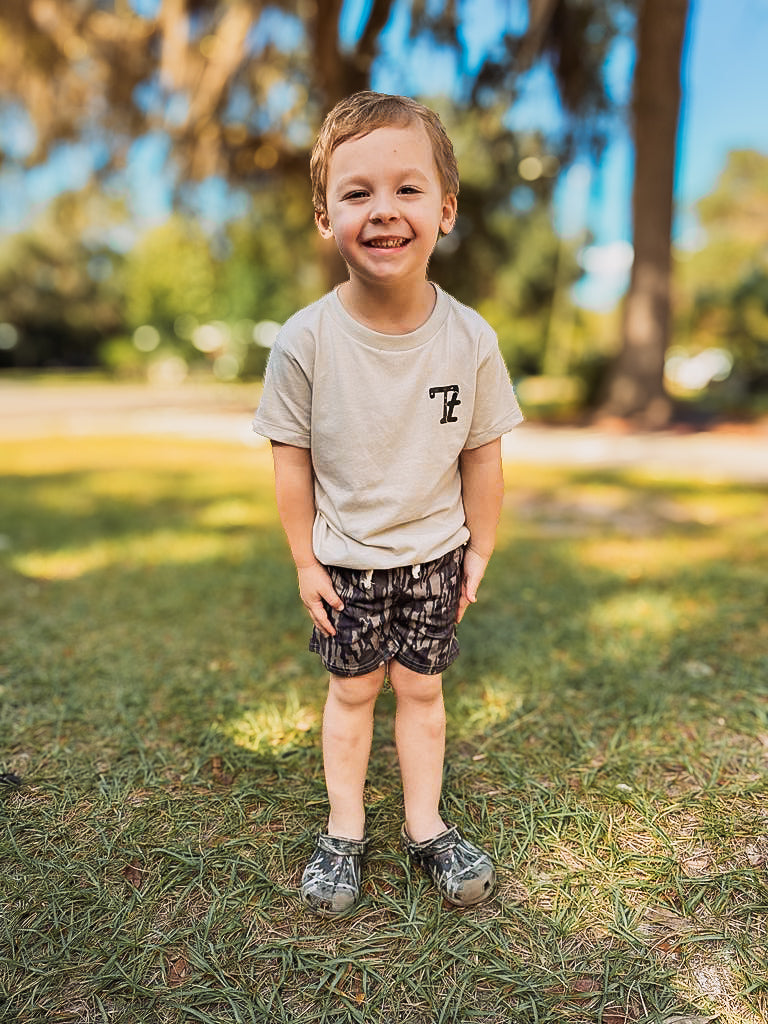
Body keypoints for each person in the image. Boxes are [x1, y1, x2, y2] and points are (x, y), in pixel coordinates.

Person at [252, 91, 523, 917]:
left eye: (407, 190)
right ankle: (343, 832)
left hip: (435, 557)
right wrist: (304, 560)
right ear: (324, 216)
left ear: (444, 210)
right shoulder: (305, 339)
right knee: (352, 694)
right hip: (345, 565)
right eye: (357, 192)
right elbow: (290, 462)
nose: (383, 211)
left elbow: (483, 454)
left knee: (423, 693)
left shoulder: (470, 338)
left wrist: (478, 550)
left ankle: (425, 824)